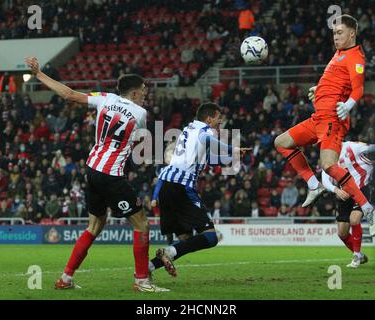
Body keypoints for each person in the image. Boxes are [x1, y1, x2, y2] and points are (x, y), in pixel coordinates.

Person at [25, 56, 168, 293]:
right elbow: (138, 140)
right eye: (142, 91)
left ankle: (66, 277)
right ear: (133, 94)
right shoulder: (140, 113)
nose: (145, 94)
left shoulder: (105, 99)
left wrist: (39, 74)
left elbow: (69, 94)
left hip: (92, 170)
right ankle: (142, 280)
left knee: (95, 225)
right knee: (141, 224)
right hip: (111, 174)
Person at [274, 15, 375, 228]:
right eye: (334, 33)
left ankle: (367, 208)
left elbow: (358, 89)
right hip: (317, 117)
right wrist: (318, 90)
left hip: (331, 119)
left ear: (352, 33)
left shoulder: (356, 58)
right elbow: (335, 80)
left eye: (339, 33)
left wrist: (348, 105)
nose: (335, 37)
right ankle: (314, 185)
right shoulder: (339, 54)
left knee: (328, 165)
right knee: (281, 142)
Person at [148, 102, 249, 277]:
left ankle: (147, 269)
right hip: (181, 187)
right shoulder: (205, 131)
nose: (220, 122)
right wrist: (234, 148)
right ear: (209, 118)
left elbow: (209, 158)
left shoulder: (189, 129)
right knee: (211, 237)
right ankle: (167, 253)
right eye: (218, 118)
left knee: (185, 239)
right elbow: (207, 139)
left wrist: (232, 156)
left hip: (167, 186)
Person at [321, 141, 375, 267]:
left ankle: (356, 257)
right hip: (344, 193)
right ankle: (360, 255)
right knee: (342, 233)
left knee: (354, 219)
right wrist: (336, 190)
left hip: (361, 189)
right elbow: (325, 178)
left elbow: (370, 147)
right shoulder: (327, 156)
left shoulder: (352, 147)